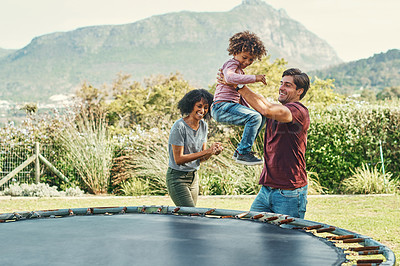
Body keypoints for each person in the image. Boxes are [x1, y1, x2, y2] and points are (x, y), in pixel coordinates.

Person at [219, 68, 310, 219]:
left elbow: (266, 109)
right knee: (253, 230)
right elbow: (259, 104)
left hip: (290, 192)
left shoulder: (298, 111)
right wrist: (230, 87)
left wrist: (238, 85)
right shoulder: (277, 108)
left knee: (289, 239)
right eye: (281, 83)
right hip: (266, 189)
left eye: (288, 85)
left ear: (299, 91)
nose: (281, 87)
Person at [211, 31, 268, 166]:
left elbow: (239, 96)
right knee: (255, 118)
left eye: (250, 60)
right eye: (244, 57)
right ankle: (244, 152)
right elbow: (229, 78)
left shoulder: (239, 70)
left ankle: (240, 151)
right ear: (235, 51)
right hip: (221, 107)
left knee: (261, 117)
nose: (247, 62)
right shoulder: (231, 64)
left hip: (229, 106)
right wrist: (255, 78)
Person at [166, 89, 223, 207]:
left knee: (190, 218)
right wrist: (206, 151)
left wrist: (212, 152)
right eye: (199, 106)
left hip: (193, 177)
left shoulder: (203, 126)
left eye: (206, 107)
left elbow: (202, 158)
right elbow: (179, 159)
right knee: (191, 214)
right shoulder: (179, 127)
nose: (202, 110)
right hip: (177, 178)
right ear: (190, 105)